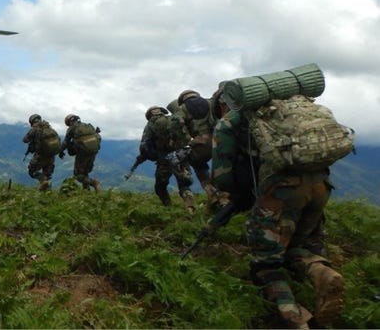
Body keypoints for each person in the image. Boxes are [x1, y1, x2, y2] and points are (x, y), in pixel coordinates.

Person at [212, 92, 344, 329]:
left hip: (281, 191)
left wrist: (242, 194)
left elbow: (222, 178)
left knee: (266, 263)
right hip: (320, 184)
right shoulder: (282, 111)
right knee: (293, 245)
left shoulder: (230, 121)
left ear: (223, 104)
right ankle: (320, 271)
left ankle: (296, 319)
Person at [170, 89, 227, 210]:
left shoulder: (183, 108)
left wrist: (187, 140)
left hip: (201, 144)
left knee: (199, 167)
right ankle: (226, 198)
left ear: (182, 99)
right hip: (220, 140)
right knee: (223, 169)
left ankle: (213, 195)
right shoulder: (210, 102)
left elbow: (175, 123)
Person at [141, 106, 196, 215]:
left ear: (149, 115)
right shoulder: (174, 119)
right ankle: (190, 207)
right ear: (162, 112)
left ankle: (168, 209)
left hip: (164, 159)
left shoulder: (150, 125)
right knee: (184, 184)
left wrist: (152, 156)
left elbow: (144, 145)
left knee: (160, 186)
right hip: (181, 156)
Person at [59, 114, 101, 192]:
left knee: (78, 175)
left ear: (70, 122)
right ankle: (86, 191)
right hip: (93, 152)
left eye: (68, 124)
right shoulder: (88, 126)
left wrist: (60, 151)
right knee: (85, 173)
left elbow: (66, 142)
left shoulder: (72, 129)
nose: (69, 126)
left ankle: (93, 183)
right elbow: (98, 137)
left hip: (82, 153)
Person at [22, 114, 60, 190]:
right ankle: (47, 194)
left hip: (41, 155)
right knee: (48, 175)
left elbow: (25, 139)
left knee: (32, 171)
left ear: (32, 121)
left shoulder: (35, 128)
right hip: (52, 155)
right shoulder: (49, 128)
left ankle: (43, 181)